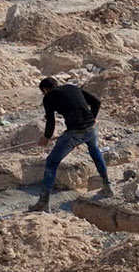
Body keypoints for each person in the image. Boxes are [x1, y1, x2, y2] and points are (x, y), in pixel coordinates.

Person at [31, 76, 111, 212]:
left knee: (51, 162)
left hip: (75, 132)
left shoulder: (48, 97)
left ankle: (44, 202)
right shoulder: (72, 87)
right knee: (95, 151)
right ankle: (107, 186)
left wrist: (46, 137)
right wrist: (91, 120)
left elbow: (51, 121)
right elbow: (96, 102)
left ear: (45, 90)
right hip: (91, 128)